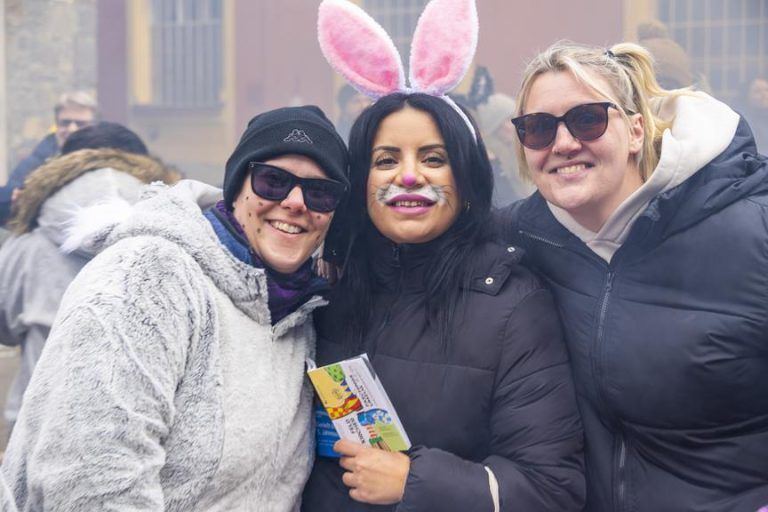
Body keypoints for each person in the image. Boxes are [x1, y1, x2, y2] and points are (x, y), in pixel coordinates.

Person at [306, 1, 584, 509]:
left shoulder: (513, 308)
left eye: (434, 158)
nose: (408, 176)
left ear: (467, 177)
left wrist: (414, 482)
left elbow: (551, 490)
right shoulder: (325, 292)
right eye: (386, 159)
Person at [2, 106, 349, 511]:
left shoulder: (297, 311)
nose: (294, 202)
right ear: (238, 187)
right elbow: (91, 478)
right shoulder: (146, 275)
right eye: (273, 181)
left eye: (319, 192)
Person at [498, 41, 768, 511]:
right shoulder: (518, 238)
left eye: (588, 119)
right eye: (538, 128)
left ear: (637, 130)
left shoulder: (753, 229)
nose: (563, 144)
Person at [0, 122, 178, 437]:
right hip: (144, 428)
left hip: (40, 427)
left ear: (60, 170)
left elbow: (4, 326)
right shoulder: (178, 237)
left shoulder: (28, 243)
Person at [0, 91, 98, 225]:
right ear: (56, 124)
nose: (72, 129)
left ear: (94, 127)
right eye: (65, 122)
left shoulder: (106, 163)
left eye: (80, 124)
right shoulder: (35, 162)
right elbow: (11, 199)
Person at [476, 93, 535, 204]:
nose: (508, 127)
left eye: (510, 119)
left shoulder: (533, 145)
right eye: (500, 126)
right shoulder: (493, 162)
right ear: (492, 132)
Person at [740, 76, 768, 152]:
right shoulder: (743, 121)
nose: (764, 94)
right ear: (747, 95)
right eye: (757, 91)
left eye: (766, 90)